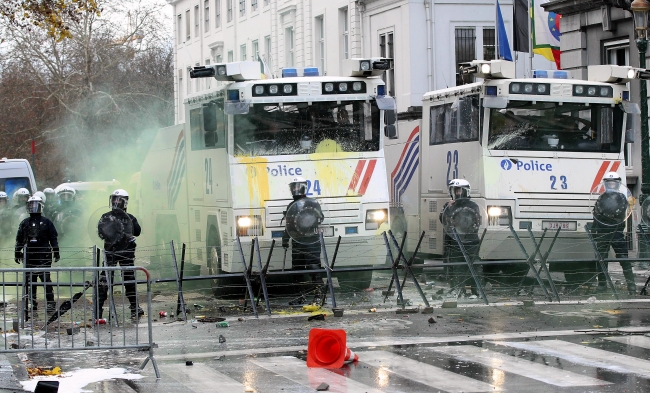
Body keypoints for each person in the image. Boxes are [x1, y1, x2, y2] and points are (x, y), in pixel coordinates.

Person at [96, 189, 143, 320]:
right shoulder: (106, 216)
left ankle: (134, 307)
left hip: (126, 252)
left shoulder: (131, 217)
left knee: (129, 280)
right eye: (114, 199)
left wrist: (130, 222)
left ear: (125, 202)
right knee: (104, 281)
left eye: (119, 200)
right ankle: (98, 310)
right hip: (110, 252)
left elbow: (138, 231)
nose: (115, 202)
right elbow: (100, 232)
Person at [589, 172, 636, 295]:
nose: (611, 184)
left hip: (616, 232)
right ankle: (602, 285)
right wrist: (595, 229)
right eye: (609, 182)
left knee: (624, 259)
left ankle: (631, 286)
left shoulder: (621, 198)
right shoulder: (602, 197)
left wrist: (606, 219)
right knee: (601, 260)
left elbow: (618, 213)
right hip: (603, 232)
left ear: (617, 184)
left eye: (613, 182)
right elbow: (596, 214)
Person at [14, 195, 60, 315]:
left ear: (41, 206)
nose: (33, 208)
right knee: (30, 280)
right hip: (29, 255)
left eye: (36, 205)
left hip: (43, 255)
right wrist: (17, 252)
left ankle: (50, 303)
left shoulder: (46, 222)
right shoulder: (24, 222)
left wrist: (56, 252)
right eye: (31, 205)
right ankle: (32, 303)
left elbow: (53, 238)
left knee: (45, 279)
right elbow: (19, 239)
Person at [282, 176, 324, 303]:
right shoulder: (291, 205)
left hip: (311, 240)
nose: (295, 189)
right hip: (298, 241)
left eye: (297, 186)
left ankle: (319, 295)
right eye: (293, 187)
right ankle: (300, 296)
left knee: (313, 267)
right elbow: (289, 225)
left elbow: (321, 218)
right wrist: (285, 239)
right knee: (297, 269)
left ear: (304, 187)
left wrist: (309, 215)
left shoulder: (312, 203)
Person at [439, 179, 483, 298]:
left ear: (465, 191)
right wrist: (448, 207)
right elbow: (442, 219)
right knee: (456, 265)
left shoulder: (472, 205)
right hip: (454, 239)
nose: (457, 192)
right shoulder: (449, 205)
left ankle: (476, 291)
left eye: (459, 190)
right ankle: (458, 289)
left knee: (474, 264)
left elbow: (476, 221)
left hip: (470, 239)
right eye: (455, 190)